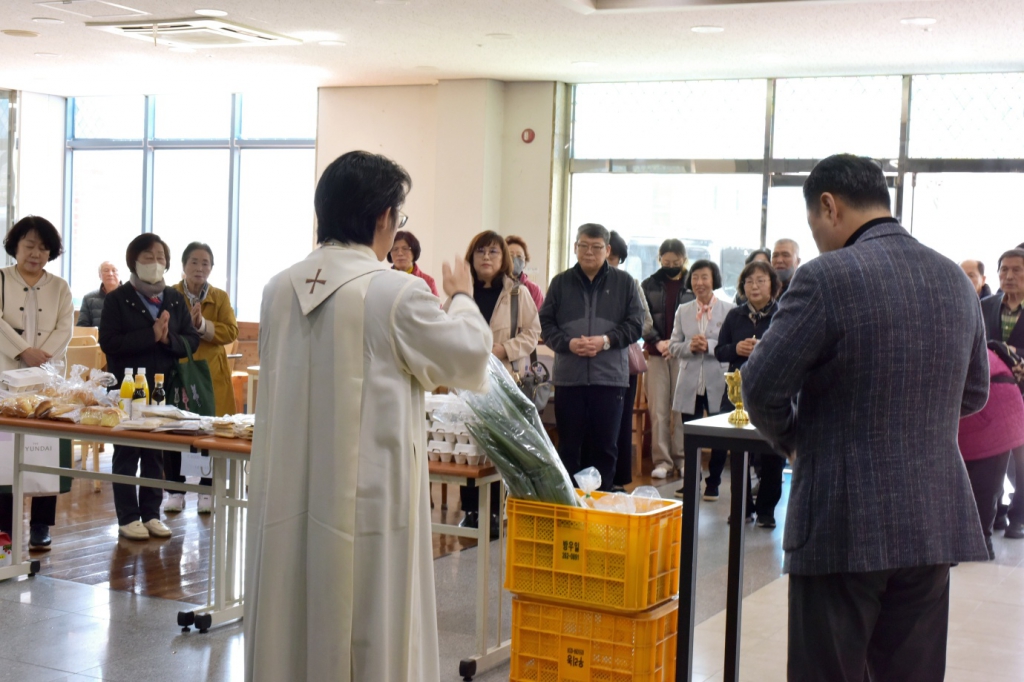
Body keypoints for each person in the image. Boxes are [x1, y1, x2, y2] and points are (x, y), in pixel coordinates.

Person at [244, 150, 492, 682]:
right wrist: (462, 298)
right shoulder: (394, 291)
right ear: (383, 218)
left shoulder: (277, 288)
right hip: (367, 502)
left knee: (291, 614)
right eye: (397, 218)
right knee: (369, 622)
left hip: (288, 491)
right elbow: (469, 358)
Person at [742, 154, 990, 682]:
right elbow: (974, 392)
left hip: (842, 517)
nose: (815, 241)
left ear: (828, 206)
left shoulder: (825, 278)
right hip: (931, 519)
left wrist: (795, 440)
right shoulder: (953, 279)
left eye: (813, 226)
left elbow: (762, 385)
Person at [99, 234, 200, 541]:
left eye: (160, 257)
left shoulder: (173, 298)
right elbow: (109, 343)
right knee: (127, 452)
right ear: (133, 261)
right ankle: (128, 517)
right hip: (128, 389)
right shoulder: (118, 299)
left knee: (156, 453)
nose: (155, 263)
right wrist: (151, 335)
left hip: (162, 388)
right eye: (147, 257)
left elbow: (191, 341)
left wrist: (168, 339)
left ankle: (152, 514)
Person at [539, 223, 643, 491]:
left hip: (609, 379)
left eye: (596, 247)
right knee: (569, 446)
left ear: (607, 250)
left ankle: (603, 506)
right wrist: (569, 343)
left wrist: (606, 341)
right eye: (583, 245)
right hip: (569, 379)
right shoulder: (560, 283)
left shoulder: (625, 283)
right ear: (575, 247)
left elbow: (636, 325)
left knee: (605, 447)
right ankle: (571, 507)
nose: (589, 252)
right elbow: (546, 324)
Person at [448, 230, 540, 534]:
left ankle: (496, 512)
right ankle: (471, 511)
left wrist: (502, 350)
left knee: (499, 446)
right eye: (480, 252)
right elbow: (445, 328)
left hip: (504, 378)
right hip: (466, 380)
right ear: (471, 258)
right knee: (467, 445)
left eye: (493, 252)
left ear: (504, 259)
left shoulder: (517, 293)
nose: (486, 258)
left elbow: (531, 333)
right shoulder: (459, 294)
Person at [0, 216, 74, 551]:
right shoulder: (1, 279)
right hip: (5, 379)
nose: (36, 253)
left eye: (43, 247)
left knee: (46, 450)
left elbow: (65, 328)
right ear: (15, 246)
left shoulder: (60, 287)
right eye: (29, 245)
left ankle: (41, 525)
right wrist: (22, 351)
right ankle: (4, 528)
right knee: (5, 452)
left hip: (47, 381)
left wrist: (40, 359)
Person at [163, 243, 239, 515]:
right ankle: (174, 491)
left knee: (210, 432)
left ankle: (207, 491)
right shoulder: (170, 294)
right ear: (183, 266)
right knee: (174, 431)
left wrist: (202, 326)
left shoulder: (219, 297)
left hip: (211, 375)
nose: (199, 268)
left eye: (205, 263)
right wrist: (188, 328)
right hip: (179, 371)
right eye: (194, 262)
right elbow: (164, 328)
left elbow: (231, 331)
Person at [715, 260, 782, 528]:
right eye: (749, 281)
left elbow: (790, 349)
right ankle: (742, 507)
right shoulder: (735, 315)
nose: (754, 286)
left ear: (773, 286)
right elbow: (720, 351)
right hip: (737, 392)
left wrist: (763, 349)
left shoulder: (782, 313)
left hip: (773, 391)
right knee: (738, 450)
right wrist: (736, 349)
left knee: (772, 452)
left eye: (761, 281)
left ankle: (766, 510)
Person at [668, 260, 734, 500]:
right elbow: (673, 345)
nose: (699, 283)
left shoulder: (729, 309)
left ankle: (713, 482)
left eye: (704, 277)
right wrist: (689, 346)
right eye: (695, 278)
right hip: (689, 380)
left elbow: (731, 346)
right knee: (690, 434)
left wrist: (710, 345)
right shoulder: (683, 310)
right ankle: (691, 481)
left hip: (717, 378)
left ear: (713, 280)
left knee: (719, 435)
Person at [958, 346, 1024, 560]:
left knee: (985, 478)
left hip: (994, 406)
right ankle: (995, 524)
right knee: (982, 476)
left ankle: (983, 542)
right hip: (989, 401)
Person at [640, 239, 694, 480]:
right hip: (656, 352)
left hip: (684, 354)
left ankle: (682, 459)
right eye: (666, 261)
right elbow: (641, 317)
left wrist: (677, 345)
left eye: (676, 261)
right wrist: (658, 341)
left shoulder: (694, 283)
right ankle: (662, 460)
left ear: (684, 260)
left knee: (681, 409)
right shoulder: (648, 284)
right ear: (659, 258)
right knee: (659, 409)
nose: (671, 265)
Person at [981, 248, 1024, 540]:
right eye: (1004, 270)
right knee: (990, 460)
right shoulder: (985, 305)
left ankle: (1017, 519)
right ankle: (992, 513)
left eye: (1017, 270)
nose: (1009, 276)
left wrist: (1013, 356)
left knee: (1022, 463)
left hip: (1022, 395)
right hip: (991, 397)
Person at [607, 231, 653, 491]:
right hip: (587, 363)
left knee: (621, 422)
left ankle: (617, 480)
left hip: (622, 363)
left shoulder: (630, 283)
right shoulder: (576, 283)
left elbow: (646, 323)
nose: (608, 260)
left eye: (614, 256)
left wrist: (614, 335)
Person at [387, 229, 439, 297]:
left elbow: (436, 306)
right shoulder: (385, 280)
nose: (400, 253)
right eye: (395, 249)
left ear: (414, 252)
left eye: (405, 248)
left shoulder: (428, 281)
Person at [506, 235, 544, 311]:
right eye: (511, 255)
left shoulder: (533, 289)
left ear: (525, 261)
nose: (515, 259)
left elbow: (538, 318)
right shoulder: (496, 284)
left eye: (519, 256)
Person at [77, 261, 120, 328]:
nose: (110, 274)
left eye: (114, 270)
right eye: (106, 270)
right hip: (98, 338)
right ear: (99, 275)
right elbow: (82, 327)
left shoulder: (130, 296)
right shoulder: (88, 298)